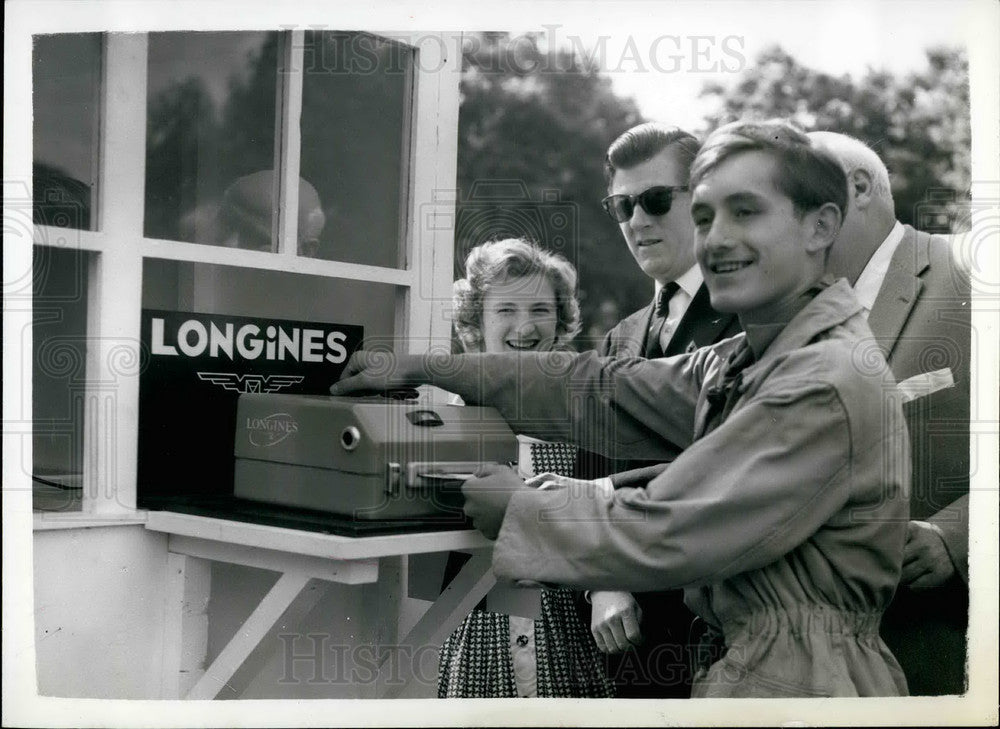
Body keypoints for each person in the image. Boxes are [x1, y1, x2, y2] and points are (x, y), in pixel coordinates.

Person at [331, 120, 912, 698]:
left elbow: (671, 529)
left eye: (746, 212)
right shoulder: (754, 357)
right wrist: (425, 367)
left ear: (821, 226)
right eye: (705, 217)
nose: (716, 240)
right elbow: (599, 386)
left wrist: (520, 508)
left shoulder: (819, 380)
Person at [575, 123, 740, 699]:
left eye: (654, 200)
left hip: (728, 640)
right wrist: (602, 584)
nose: (637, 221)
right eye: (622, 205)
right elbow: (588, 472)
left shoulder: (755, 318)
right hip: (630, 646)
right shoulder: (619, 339)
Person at [810, 131, 971, 695]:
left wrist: (960, 535)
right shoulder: (787, 321)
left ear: (856, 188)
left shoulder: (974, 272)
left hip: (946, 660)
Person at [436, 238, 613, 699]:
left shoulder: (582, 414)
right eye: (506, 310)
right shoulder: (453, 415)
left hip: (570, 632)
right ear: (476, 322)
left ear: (560, 319)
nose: (524, 325)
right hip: (481, 633)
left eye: (540, 309)